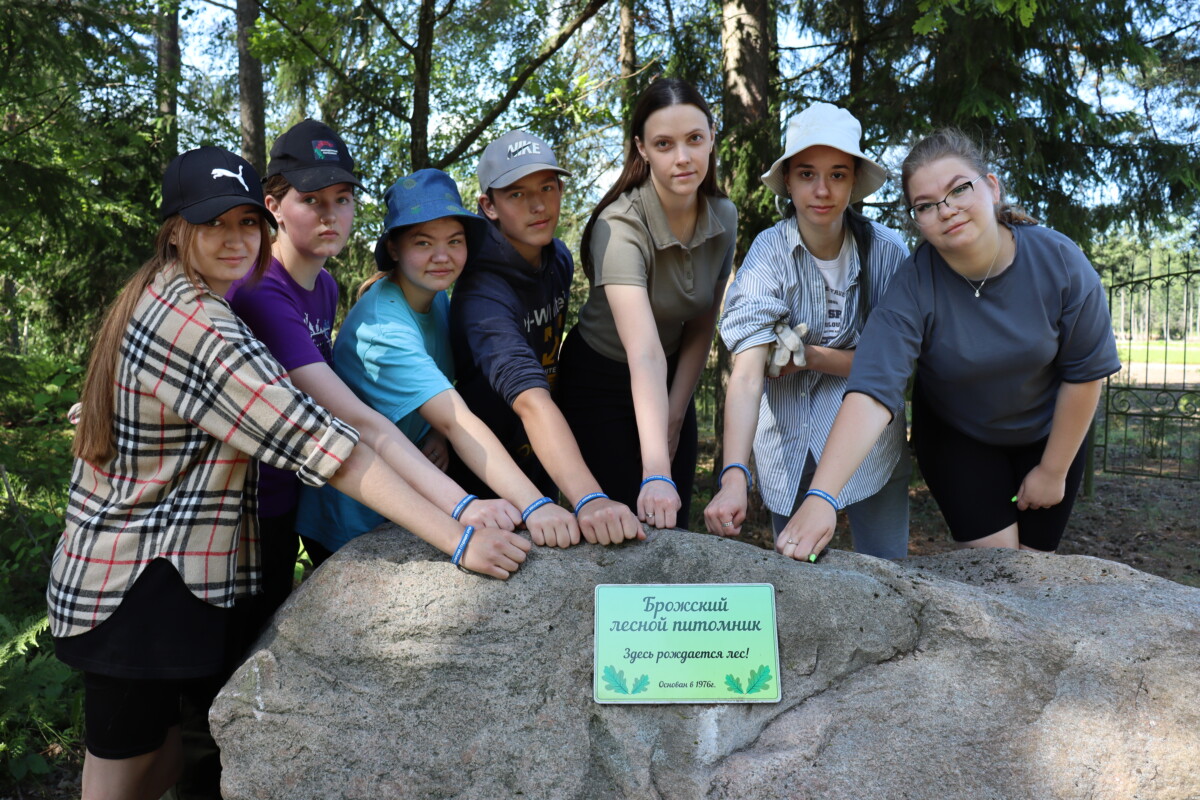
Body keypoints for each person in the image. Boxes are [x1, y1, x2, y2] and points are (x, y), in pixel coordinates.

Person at [48, 147, 529, 800]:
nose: (236, 239)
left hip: (148, 576)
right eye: (215, 223)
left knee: (158, 762)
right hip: (136, 588)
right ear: (174, 230)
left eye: (247, 224)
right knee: (123, 776)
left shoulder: (166, 293)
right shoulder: (203, 328)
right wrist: (460, 535)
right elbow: (331, 445)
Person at [780, 129, 1121, 561]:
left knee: (1037, 569)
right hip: (958, 436)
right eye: (926, 205)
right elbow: (872, 388)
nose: (947, 210)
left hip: (1051, 432)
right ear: (916, 219)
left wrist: (1054, 471)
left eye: (959, 189)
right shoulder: (914, 283)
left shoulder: (1061, 261)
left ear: (991, 187)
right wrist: (822, 497)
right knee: (998, 568)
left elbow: (1085, 373)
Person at [228, 119, 519, 572]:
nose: (331, 215)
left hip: (300, 483)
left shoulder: (324, 286)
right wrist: (463, 511)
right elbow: (361, 421)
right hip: (249, 500)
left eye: (342, 199)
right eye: (311, 200)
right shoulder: (261, 291)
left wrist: (436, 431)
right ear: (273, 207)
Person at [297, 169, 579, 555]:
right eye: (424, 243)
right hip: (354, 517)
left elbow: (439, 400)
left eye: (455, 241)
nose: (442, 257)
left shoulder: (436, 299)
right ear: (395, 248)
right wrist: (535, 505)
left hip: (407, 494)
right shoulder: (383, 329)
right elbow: (456, 418)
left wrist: (436, 434)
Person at [703, 103, 911, 559]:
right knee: (797, 572)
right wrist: (735, 473)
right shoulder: (769, 253)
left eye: (837, 174)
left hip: (870, 444)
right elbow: (748, 371)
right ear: (788, 182)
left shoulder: (889, 253)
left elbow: (893, 367)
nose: (822, 190)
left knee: (888, 568)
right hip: (787, 444)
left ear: (855, 180)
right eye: (806, 174)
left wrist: (810, 356)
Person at [557, 78, 737, 531]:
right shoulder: (618, 226)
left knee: (672, 525)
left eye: (695, 139)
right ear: (642, 149)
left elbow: (701, 324)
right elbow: (643, 351)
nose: (683, 157)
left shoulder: (724, 216)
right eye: (664, 144)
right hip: (601, 380)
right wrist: (654, 468)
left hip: (674, 376)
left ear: (712, 138)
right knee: (618, 529)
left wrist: (676, 413)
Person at [448, 129, 643, 546]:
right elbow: (530, 398)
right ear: (489, 206)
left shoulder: (558, 258)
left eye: (548, 187)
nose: (539, 205)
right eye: (517, 194)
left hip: (543, 465)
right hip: (487, 482)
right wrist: (590, 498)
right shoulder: (481, 294)